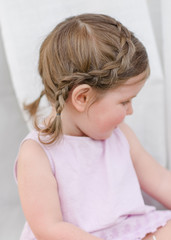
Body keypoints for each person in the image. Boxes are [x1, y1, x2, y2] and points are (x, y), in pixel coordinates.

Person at [14, 13, 171, 240]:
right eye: (124, 101)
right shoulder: (37, 154)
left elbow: (160, 180)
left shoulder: (121, 135)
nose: (130, 111)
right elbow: (49, 228)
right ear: (82, 98)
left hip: (129, 230)